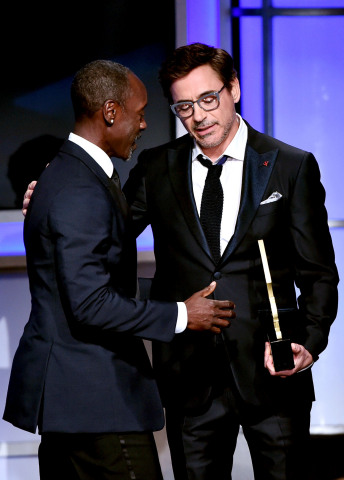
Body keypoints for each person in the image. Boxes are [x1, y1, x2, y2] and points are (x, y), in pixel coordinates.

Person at [22, 44, 339, 480]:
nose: (199, 116)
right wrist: (52, 196)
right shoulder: (157, 166)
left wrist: (310, 341)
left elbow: (319, 272)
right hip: (190, 380)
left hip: (272, 375)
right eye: (184, 106)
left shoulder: (290, 166)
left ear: (234, 90)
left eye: (209, 99)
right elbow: (102, 228)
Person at [3, 59, 235, 480]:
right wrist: (183, 315)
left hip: (73, 402)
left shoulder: (70, 176)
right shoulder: (78, 188)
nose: (145, 125)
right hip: (96, 404)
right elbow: (90, 303)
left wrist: (173, 296)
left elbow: (89, 280)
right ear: (111, 112)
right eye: (140, 113)